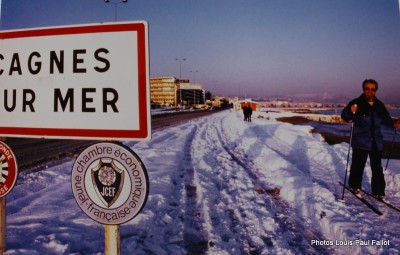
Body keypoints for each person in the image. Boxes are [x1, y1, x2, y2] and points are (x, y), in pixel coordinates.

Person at [341, 79, 400, 199]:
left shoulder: (379, 105)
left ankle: (378, 192)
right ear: (363, 89)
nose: (370, 91)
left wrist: (394, 124)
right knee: (358, 165)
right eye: (367, 88)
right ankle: (354, 186)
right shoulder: (356, 102)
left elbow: (387, 119)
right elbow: (345, 116)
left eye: (373, 89)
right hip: (360, 141)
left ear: (376, 91)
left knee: (377, 168)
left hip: (376, 142)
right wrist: (351, 111)